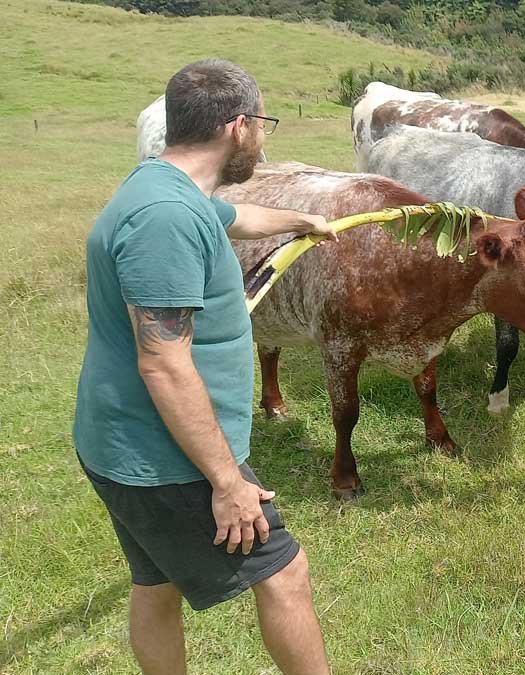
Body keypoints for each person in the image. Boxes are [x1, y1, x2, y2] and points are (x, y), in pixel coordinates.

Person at [73, 59, 335, 674]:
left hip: (130, 442)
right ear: (237, 127)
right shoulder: (164, 219)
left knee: (156, 584)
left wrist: (302, 220)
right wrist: (228, 482)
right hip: (166, 456)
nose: (265, 139)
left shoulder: (169, 190)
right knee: (284, 574)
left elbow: (233, 218)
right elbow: (163, 362)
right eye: (264, 124)